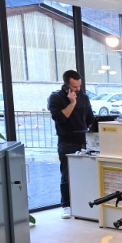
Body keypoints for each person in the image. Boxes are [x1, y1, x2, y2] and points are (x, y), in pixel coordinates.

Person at [48, 70, 94, 219]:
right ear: (66, 85)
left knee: (86, 174)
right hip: (67, 142)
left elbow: (90, 119)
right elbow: (60, 117)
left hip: (84, 142)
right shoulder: (55, 98)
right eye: (74, 87)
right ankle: (66, 205)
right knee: (67, 175)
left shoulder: (84, 97)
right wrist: (72, 103)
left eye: (79, 86)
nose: (78, 89)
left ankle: (83, 204)